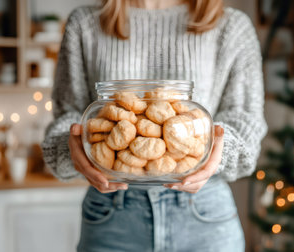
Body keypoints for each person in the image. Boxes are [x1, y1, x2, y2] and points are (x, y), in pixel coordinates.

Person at [42, 0, 267, 251]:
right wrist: (71, 146)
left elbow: (246, 122)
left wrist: (214, 152)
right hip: (111, 214)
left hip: (204, 216)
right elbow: (67, 115)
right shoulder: (84, 22)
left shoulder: (231, 25)